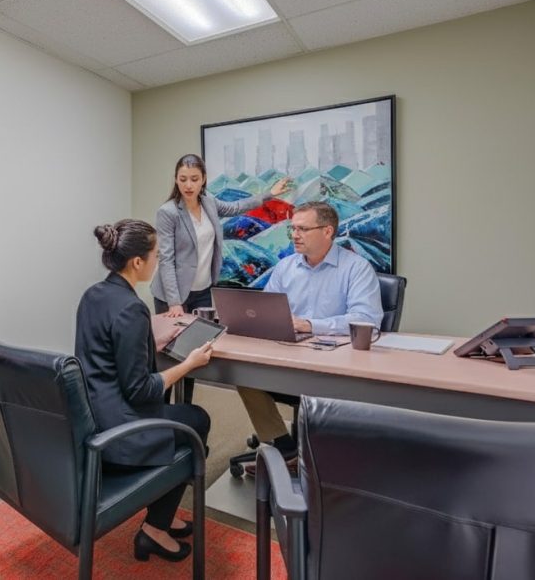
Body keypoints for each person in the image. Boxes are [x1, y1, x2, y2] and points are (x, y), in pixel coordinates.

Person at [76, 219, 214, 564]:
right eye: (157, 255)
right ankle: (154, 528)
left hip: (93, 413)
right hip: (119, 432)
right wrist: (189, 363)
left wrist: (151, 341)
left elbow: (109, 352)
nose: (159, 261)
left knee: (179, 416)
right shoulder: (132, 308)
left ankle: (163, 514)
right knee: (196, 420)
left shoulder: (94, 294)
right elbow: (140, 390)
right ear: (137, 262)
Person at [238, 201, 383, 472]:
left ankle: (325, 460)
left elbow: (367, 321)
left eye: (303, 229)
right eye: (293, 228)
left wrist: (309, 325)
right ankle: (283, 447)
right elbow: (265, 309)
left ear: (328, 231)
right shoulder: (285, 267)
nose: (295, 235)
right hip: (288, 356)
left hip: (333, 364)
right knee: (244, 374)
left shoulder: (356, 268)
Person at [150, 153, 289, 402]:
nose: (188, 185)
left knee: (192, 356)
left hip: (202, 290)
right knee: (168, 359)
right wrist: (174, 303)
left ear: (203, 179)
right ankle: (159, 411)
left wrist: (269, 194)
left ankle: (184, 410)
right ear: (176, 180)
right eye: (183, 179)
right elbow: (166, 260)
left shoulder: (209, 202)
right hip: (172, 295)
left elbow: (237, 207)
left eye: (194, 179)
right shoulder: (168, 212)